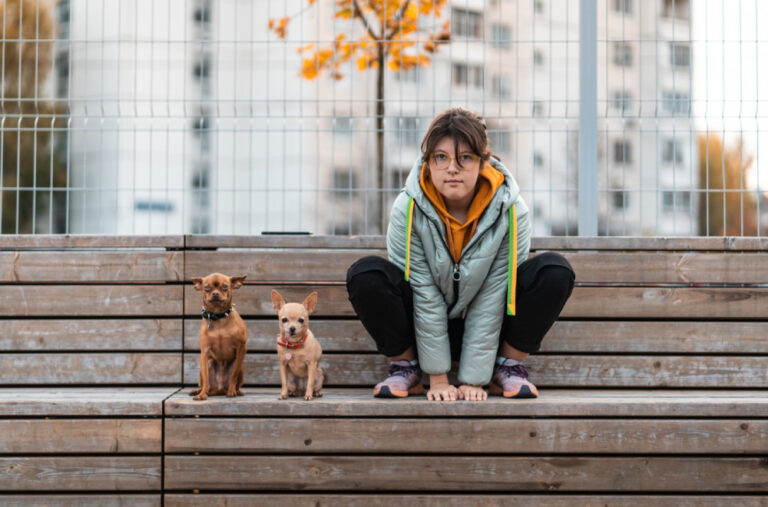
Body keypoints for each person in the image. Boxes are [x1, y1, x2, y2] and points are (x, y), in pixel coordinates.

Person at [346, 107, 575, 401]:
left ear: (482, 162)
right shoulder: (408, 208)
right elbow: (423, 292)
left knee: (553, 271)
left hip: (488, 332)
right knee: (368, 275)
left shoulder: (512, 211)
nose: (452, 168)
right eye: (441, 157)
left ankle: (506, 367)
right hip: (421, 328)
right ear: (428, 163)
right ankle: (407, 368)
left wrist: (474, 379)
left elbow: (493, 294)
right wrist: (438, 379)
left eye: (464, 157)